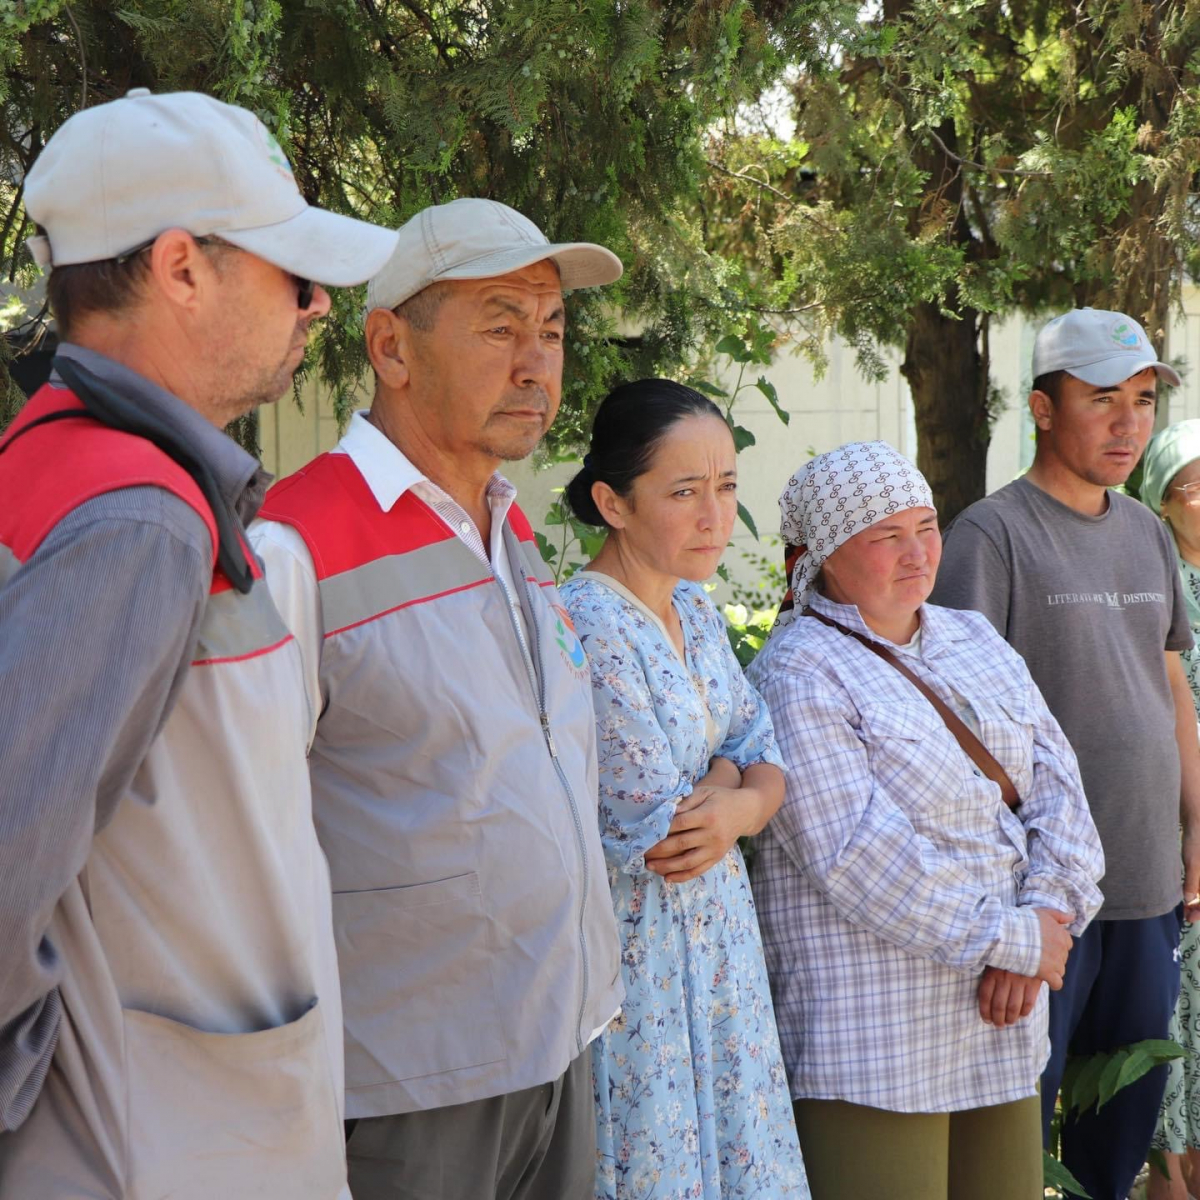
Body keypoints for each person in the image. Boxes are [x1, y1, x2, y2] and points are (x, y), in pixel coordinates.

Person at [0, 89, 398, 1198]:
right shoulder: (132, 520)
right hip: (158, 1149)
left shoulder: (71, 479)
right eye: (291, 271)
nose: (318, 305)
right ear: (181, 268)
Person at [251, 197, 625, 1200]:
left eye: (551, 330)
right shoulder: (294, 544)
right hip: (402, 1086)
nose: (536, 362)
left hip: (558, 1046)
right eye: (501, 325)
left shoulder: (511, 537)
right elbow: (232, 835)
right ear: (392, 349)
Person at [747, 440, 1104, 1200]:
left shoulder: (971, 637)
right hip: (875, 1038)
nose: (917, 554)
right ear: (825, 555)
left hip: (1001, 1019)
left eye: (927, 526)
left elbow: (1060, 788)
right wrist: (1015, 939)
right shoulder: (797, 671)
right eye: (885, 537)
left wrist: (1045, 912)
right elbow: (857, 855)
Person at [932, 308, 1200, 1200]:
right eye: (1102, 402)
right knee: (1023, 1138)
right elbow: (956, 719)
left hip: (1148, 886)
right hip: (1043, 902)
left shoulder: (1147, 532)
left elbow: (1170, 689)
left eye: (1142, 402)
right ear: (1043, 409)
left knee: (1116, 1143)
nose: (1129, 425)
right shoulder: (990, 535)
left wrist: (1196, 827)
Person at [559, 379, 809, 1200]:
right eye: (684, 491)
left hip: (720, 950)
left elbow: (760, 749)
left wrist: (736, 798)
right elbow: (663, 828)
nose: (716, 515)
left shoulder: (695, 608)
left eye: (727, 486)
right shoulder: (587, 622)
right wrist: (733, 786)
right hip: (645, 966)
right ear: (613, 502)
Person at [1141, 420, 1200, 1200]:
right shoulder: (1154, 582)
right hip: (1176, 815)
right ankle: (1169, 1170)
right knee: (1177, 1011)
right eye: (1193, 483)